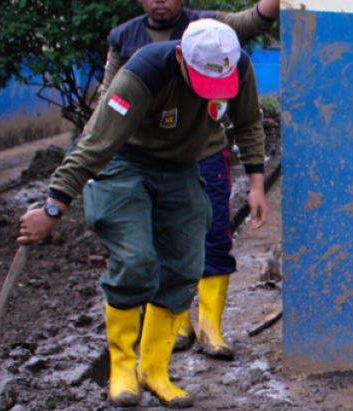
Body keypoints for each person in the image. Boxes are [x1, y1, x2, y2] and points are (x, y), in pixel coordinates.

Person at [18, 20, 267, 409]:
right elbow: (94, 143)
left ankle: (155, 370)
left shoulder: (239, 66)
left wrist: (256, 182)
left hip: (183, 167)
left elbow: (249, 122)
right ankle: (122, 369)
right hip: (125, 163)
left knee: (186, 265)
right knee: (136, 260)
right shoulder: (144, 73)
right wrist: (54, 205)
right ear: (181, 56)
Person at [103, 0, 280, 359]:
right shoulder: (125, 39)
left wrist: (256, 182)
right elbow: (109, 105)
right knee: (157, 241)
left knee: (213, 233)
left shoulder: (210, 29)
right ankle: (175, 320)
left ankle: (209, 327)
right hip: (148, 159)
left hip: (203, 154)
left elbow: (255, 21)